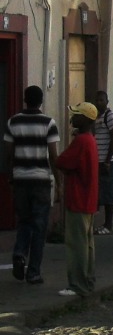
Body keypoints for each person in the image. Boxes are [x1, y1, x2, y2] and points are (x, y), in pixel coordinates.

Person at [4, 85, 60, 286]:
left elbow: (8, 154)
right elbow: (53, 156)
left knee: (24, 221)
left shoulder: (13, 122)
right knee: (39, 226)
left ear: (25, 100)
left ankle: (19, 253)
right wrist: (59, 183)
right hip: (41, 182)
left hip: (20, 180)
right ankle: (34, 272)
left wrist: (11, 177)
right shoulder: (48, 123)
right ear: (41, 101)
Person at [55, 101, 99, 297]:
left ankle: (78, 284)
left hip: (78, 199)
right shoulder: (90, 140)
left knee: (77, 244)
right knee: (87, 243)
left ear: (85, 119)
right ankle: (87, 280)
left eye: (77, 115)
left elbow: (61, 161)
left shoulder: (81, 141)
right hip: (88, 199)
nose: (73, 118)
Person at [92, 90, 113, 235]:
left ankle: (108, 225)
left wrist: (107, 161)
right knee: (99, 191)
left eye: (101, 100)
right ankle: (99, 224)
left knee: (108, 191)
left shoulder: (110, 116)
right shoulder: (96, 117)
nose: (98, 103)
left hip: (107, 161)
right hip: (98, 160)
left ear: (107, 102)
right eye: (97, 100)